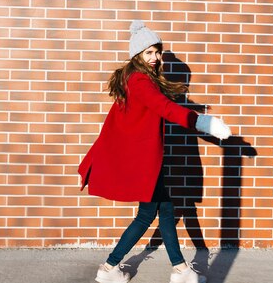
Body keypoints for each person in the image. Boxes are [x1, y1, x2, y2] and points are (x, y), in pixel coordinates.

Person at [78, 20, 231, 283]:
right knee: (148, 215)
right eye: (149, 52)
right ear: (137, 54)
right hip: (144, 164)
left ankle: (180, 271)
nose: (156, 58)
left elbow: (118, 124)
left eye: (157, 52)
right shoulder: (138, 81)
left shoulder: (134, 79)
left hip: (147, 163)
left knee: (165, 211)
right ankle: (110, 268)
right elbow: (164, 108)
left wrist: (87, 163)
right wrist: (202, 122)